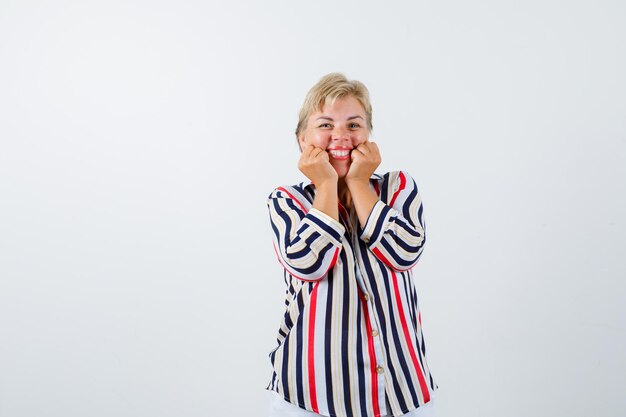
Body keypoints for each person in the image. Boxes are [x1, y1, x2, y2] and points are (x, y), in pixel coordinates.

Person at [265, 73, 438, 417]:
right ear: (303, 140)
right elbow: (307, 264)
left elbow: (405, 252)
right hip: (312, 393)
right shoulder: (287, 200)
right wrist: (326, 184)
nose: (341, 135)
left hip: (398, 391)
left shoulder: (398, 187)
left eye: (354, 124)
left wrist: (359, 181)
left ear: (369, 136)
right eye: (325, 124)